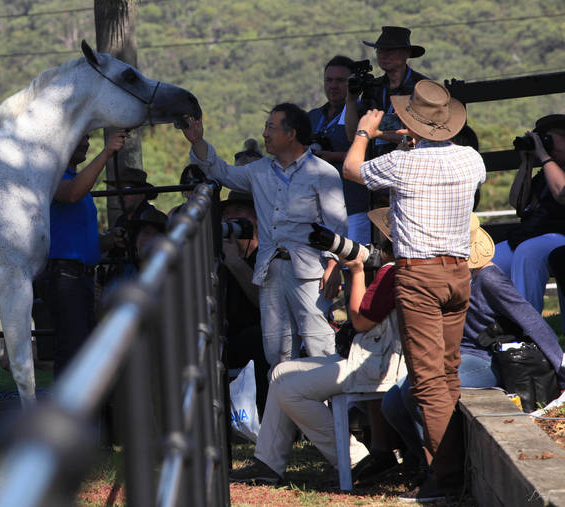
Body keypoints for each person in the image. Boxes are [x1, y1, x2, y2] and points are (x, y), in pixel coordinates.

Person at [343, 79, 486, 502]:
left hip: (419, 277)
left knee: (426, 384)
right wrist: (411, 140)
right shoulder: (472, 160)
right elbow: (434, 157)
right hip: (459, 275)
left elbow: (353, 169)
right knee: (448, 374)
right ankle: (458, 472)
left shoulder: (401, 165)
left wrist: (365, 132)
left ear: (412, 125)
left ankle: (444, 482)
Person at [383, 215, 565, 477]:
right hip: (451, 357)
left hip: (483, 359)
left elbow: (532, 320)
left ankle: (442, 472)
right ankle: (421, 459)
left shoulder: (488, 278)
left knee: (414, 394)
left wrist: (560, 366)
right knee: (392, 401)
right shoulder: (444, 279)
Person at [184, 102, 347, 365]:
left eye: (271, 127)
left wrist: (333, 264)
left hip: (309, 272)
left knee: (321, 345)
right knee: (277, 353)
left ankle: (330, 405)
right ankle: (286, 404)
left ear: (291, 133)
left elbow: (336, 224)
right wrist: (198, 142)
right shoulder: (258, 171)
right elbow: (221, 172)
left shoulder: (322, 173)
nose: (265, 134)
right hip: (270, 271)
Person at [229, 249, 406, 485]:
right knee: (281, 373)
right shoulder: (395, 270)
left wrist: (356, 272)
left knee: (290, 391)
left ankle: (356, 459)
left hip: (379, 362)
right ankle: (268, 462)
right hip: (371, 355)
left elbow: (360, 319)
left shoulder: (391, 272)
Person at [35, 131, 126, 376]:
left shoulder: (74, 180)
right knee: (72, 352)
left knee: (80, 351)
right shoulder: (52, 179)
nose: (87, 142)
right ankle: (68, 411)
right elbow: (73, 192)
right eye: (81, 137)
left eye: (88, 137)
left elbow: (75, 236)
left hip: (78, 278)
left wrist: (107, 241)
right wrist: (106, 152)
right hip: (66, 278)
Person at [491, 114, 565, 311]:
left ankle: (529, 329)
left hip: (560, 236)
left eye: (550, 140)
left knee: (528, 252)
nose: (546, 145)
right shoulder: (545, 173)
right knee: (489, 261)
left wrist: (545, 157)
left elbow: (561, 193)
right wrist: (526, 163)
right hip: (535, 235)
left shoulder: (552, 167)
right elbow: (518, 203)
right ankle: (489, 328)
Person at [309, 55, 371, 246]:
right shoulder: (313, 116)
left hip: (353, 206)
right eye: (328, 80)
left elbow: (370, 156)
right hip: (318, 209)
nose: (333, 86)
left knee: (353, 265)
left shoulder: (366, 114)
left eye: (340, 81)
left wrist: (329, 157)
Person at [217, 190, 269, 415]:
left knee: (256, 338)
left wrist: (236, 263)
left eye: (238, 212)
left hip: (259, 336)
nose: (231, 218)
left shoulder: (266, 255)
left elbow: (263, 302)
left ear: (257, 218)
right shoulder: (219, 258)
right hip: (227, 337)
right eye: (226, 214)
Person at [345, 26, 428, 154]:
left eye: (391, 51)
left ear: (406, 53)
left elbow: (421, 138)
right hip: (375, 165)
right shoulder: (373, 87)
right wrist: (350, 100)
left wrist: (376, 134)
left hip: (411, 166)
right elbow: (352, 135)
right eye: (380, 50)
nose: (384, 55)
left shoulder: (423, 88)